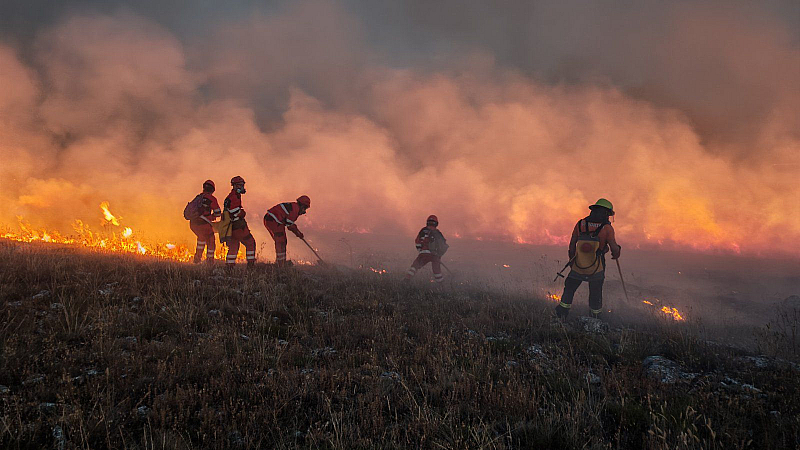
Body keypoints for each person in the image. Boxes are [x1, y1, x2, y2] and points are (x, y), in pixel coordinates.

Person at [555, 198, 621, 319]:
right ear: (607, 213)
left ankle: (562, 313)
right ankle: (595, 317)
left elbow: (572, 244)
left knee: (569, 289)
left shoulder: (581, 224)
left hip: (578, 264)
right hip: (597, 267)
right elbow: (614, 248)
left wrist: (572, 260)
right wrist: (617, 252)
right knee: (595, 293)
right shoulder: (607, 228)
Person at [263, 195, 311, 266]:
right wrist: (299, 234)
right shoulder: (295, 210)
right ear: (302, 206)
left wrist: (297, 232)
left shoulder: (293, 206)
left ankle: (281, 261)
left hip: (271, 219)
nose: (304, 211)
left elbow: (289, 223)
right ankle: (280, 264)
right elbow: (290, 226)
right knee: (281, 241)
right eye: (305, 208)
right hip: (274, 221)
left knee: (282, 241)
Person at [223, 176, 256, 267]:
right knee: (250, 243)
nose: (242, 187)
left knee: (233, 247)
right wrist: (242, 213)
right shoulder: (234, 197)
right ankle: (251, 266)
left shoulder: (233, 196)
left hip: (231, 227)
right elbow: (234, 212)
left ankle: (229, 268)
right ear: (235, 186)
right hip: (238, 226)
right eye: (240, 185)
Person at [404, 215, 449, 283]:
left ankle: (406, 280)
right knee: (437, 271)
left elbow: (417, 241)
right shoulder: (438, 233)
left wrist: (421, 250)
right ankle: (442, 286)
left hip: (424, 254)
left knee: (414, 266)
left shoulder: (423, 230)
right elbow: (443, 245)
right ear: (436, 223)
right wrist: (438, 255)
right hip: (435, 255)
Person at [188, 180, 221, 264]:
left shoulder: (198, 197)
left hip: (193, 224)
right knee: (211, 242)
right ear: (213, 189)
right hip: (204, 224)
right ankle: (209, 262)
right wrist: (211, 217)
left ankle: (197, 260)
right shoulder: (211, 198)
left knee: (201, 240)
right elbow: (218, 212)